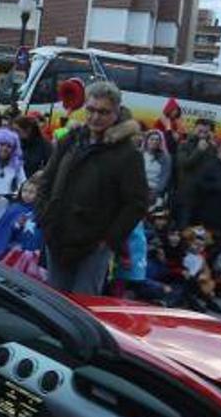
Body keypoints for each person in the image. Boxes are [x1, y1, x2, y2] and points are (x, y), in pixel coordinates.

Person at [35, 81, 148, 295]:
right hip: (57, 236)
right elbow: (46, 180)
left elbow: (137, 203)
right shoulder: (71, 139)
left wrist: (107, 241)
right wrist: (44, 216)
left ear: (115, 113)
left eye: (103, 112)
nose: (95, 117)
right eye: (91, 110)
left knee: (82, 308)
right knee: (53, 304)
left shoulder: (127, 154)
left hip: (92, 246)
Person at [172, 119, 216, 227]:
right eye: (200, 131)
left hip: (203, 198)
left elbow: (213, 169)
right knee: (183, 227)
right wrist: (199, 150)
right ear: (194, 129)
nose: (202, 134)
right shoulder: (184, 145)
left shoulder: (212, 148)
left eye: (205, 132)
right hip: (186, 196)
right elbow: (184, 164)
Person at [141, 128, 173, 209]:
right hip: (139, 190)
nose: (154, 142)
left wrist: (155, 192)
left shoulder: (165, 157)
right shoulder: (139, 155)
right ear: (146, 141)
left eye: (157, 140)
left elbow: (165, 177)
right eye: (152, 139)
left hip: (156, 192)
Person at [13, 113, 52, 178]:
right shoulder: (16, 142)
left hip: (34, 182)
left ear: (28, 130)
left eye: (17, 130)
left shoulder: (45, 146)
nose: (14, 133)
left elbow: (50, 167)